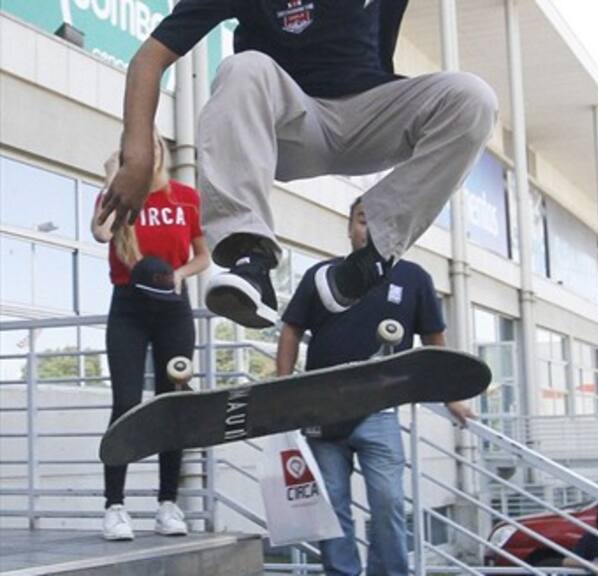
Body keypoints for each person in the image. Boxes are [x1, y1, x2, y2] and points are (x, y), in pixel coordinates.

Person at [98, 0, 498, 330]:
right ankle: (249, 258)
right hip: (293, 126)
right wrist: (138, 156)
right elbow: (149, 58)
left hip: (370, 116)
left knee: (472, 97)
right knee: (242, 67)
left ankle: (370, 258)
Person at [276, 197, 473, 576]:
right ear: (350, 227)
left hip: (379, 414)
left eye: (380, 223)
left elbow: (434, 341)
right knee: (332, 508)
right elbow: (291, 329)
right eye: (363, 221)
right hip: (322, 410)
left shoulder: (414, 278)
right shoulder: (321, 275)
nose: (369, 230)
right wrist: (283, 389)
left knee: (388, 505)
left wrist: (451, 397)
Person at [92, 135, 211, 541]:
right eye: (134, 154)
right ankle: (114, 507)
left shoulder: (186, 198)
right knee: (126, 402)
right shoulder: (117, 196)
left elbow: (202, 255)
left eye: (152, 150)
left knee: (171, 403)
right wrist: (113, 181)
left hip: (172, 306)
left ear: (161, 154)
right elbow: (103, 235)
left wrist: (180, 274)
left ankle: (167, 505)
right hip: (127, 306)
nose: (148, 157)